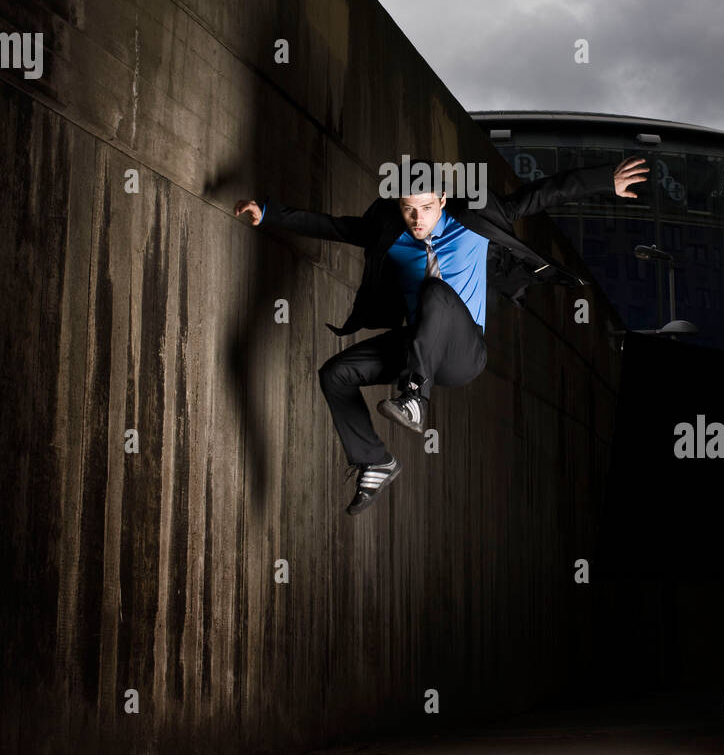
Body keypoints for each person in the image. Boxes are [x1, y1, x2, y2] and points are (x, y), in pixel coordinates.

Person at [234, 155, 648, 515]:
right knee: (335, 373)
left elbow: (540, 194)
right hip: (419, 346)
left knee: (436, 292)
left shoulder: (476, 221)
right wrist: (269, 214)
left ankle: (414, 396)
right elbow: (337, 226)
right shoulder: (390, 231)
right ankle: (375, 460)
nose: (417, 220)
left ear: (444, 200)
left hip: (464, 354)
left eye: (427, 208)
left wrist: (604, 181)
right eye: (409, 209)